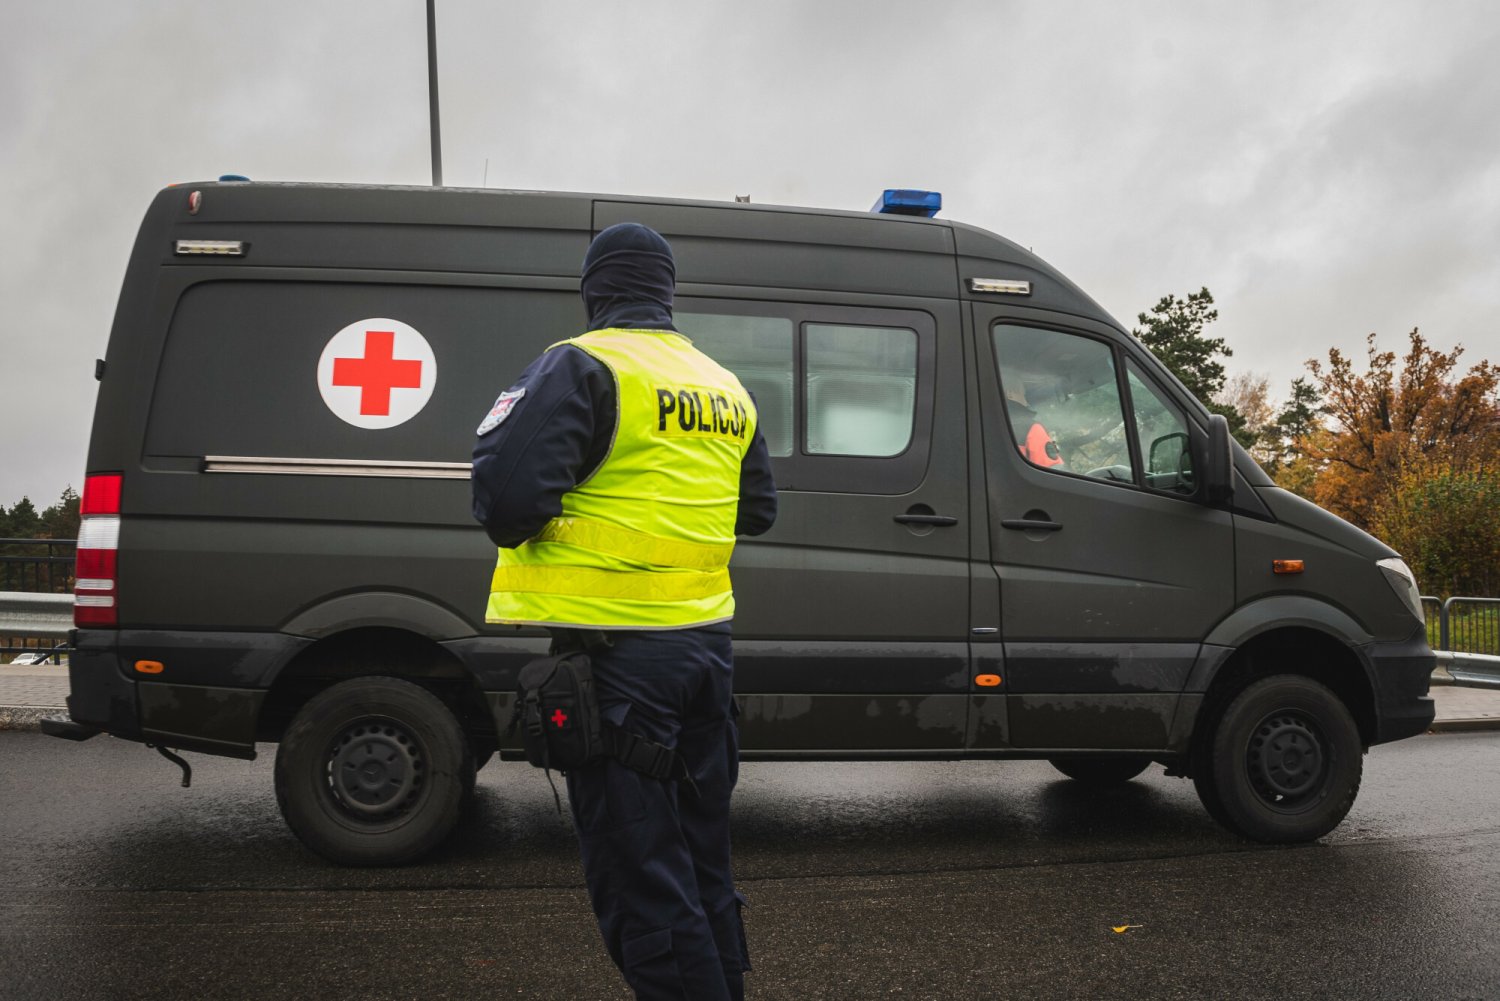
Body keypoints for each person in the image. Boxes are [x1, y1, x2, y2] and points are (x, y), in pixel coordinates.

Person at [471, 222, 777, 1001]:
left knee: (643, 882)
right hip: (706, 658)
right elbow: (758, 510)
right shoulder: (723, 384)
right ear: (667, 291)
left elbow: (504, 502)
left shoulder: (584, 364)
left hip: (620, 668)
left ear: (595, 290)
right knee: (704, 867)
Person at [1004, 379, 1065, 468]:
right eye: (1024, 394)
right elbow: (1053, 471)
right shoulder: (1031, 427)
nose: (1027, 401)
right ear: (1009, 393)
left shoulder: (988, 429)